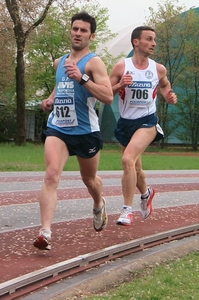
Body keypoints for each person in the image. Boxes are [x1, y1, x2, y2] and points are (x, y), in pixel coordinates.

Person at [33, 11, 113, 250]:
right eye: (75, 29)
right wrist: (49, 100)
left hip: (85, 131)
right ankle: (45, 232)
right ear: (70, 31)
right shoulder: (60, 62)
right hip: (58, 127)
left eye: (83, 30)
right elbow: (61, 88)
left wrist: (82, 78)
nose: (78, 33)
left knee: (89, 179)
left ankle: (99, 203)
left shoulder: (94, 63)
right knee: (51, 175)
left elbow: (108, 96)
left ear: (91, 36)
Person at [109, 26, 177, 226]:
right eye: (149, 39)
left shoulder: (158, 68)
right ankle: (147, 193)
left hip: (147, 121)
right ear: (136, 42)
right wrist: (120, 86)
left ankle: (126, 210)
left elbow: (164, 85)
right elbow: (105, 93)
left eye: (154, 39)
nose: (154, 43)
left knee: (127, 160)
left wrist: (169, 95)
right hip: (126, 123)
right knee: (136, 168)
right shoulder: (122, 67)